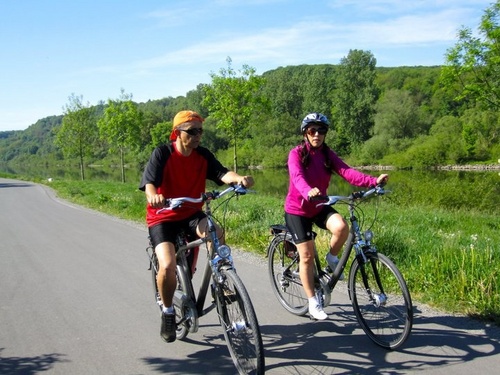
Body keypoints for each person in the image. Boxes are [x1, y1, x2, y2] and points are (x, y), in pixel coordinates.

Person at [139, 110, 254, 342]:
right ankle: (169, 312)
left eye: (200, 130)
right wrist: (153, 196)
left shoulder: (202, 155)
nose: (198, 135)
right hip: (163, 216)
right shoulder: (162, 153)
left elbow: (221, 173)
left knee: (216, 232)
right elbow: (150, 183)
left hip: (191, 212)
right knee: (168, 264)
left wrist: (238, 178)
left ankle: (221, 280)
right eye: (192, 131)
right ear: (177, 133)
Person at [284, 112, 388, 320]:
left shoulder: (327, 155)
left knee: (341, 227)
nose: (317, 135)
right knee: (306, 256)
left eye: (321, 131)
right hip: (298, 209)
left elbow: (347, 172)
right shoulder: (296, 153)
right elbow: (297, 176)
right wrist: (308, 191)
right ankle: (313, 302)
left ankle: (331, 257)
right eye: (312, 130)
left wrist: (372, 181)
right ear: (305, 133)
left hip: (320, 204)